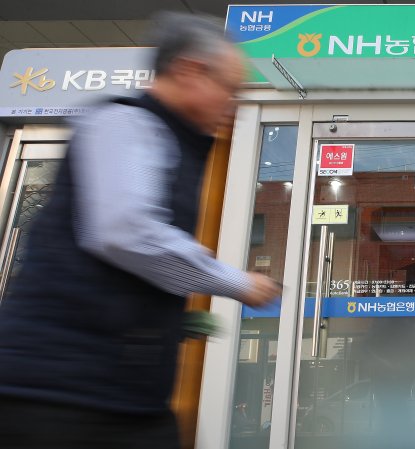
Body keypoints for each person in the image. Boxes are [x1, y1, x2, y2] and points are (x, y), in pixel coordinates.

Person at [0, 12, 280, 449]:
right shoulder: (124, 123)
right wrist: (237, 282)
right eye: (229, 88)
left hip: (115, 394)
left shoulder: (173, 140)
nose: (233, 104)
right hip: (58, 393)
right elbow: (125, 231)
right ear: (190, 70)